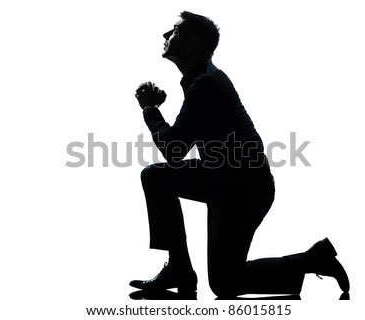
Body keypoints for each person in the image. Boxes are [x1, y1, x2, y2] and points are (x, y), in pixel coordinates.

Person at [130, 11, 349, 298]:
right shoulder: (201, 81)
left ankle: (312, 260)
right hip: (222, 180)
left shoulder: (205, 85)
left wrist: (150, 110)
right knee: (155, 177)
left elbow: (174, 151)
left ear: (193, 44)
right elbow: (181, 146)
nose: (165, 35)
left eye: (174, 30)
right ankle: (179, 268)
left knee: (225, 283)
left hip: (243, 191)